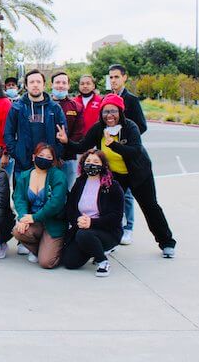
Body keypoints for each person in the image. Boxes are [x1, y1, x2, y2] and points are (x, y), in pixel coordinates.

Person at [56, 94, 177, 257]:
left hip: (139, 174)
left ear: (120, 112)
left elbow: (135, 151)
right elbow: (82, 146)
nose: (109, 115)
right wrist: (66, 142)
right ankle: (111, 240)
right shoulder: (99, 128)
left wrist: (112, 144)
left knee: (150, 207)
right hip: (116, 176)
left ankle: (167, 242)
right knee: (111, 209)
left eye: (113, 111)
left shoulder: (130, 127)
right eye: (105, 112)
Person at [62, 149, 124, 277]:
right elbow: (71, 207)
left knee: (83, 235)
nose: (91, 164)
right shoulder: (80, 182)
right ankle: (93, 249)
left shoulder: (112, 186)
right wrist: (78, 220)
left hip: (107, 231)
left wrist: (92, 222)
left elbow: (116, 216)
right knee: (70, 262)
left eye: (96, 162)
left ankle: (102, 261)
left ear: (103, 165)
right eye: (88, 161)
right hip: (81, 228)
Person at [108, 63, 148, 245]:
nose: (113, 80)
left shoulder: (131, 99)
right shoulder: (109, 98)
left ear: (124, 77)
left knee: (127, 194)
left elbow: (141, 125)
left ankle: (128, 228)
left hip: (128, 154)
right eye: (111, 77)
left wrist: (125, 137)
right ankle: (116, 225)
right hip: (111, 153)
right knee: (114, 192)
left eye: (116, 77)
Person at [12, 143, 68, 268]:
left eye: (49, 157)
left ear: (53, 160)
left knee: (46, 262)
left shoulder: (58, 176)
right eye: (41, 155)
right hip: (34, 222)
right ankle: (40, 249)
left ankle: (57, 247)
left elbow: (56, 203)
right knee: (18, 231)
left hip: (53, 221)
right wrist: (23, 217)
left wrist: (34, 218)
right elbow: (19, 198)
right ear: (33, 157)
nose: (44, 159)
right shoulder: (25, 175)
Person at [4, 69, 67, 176]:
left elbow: (63, 135)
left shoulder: (55, 108)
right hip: (23, 165)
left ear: (44, 85)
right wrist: (17, 153)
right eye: (32, 82)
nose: (35, 85)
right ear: (26, 86)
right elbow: (8, 133)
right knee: (21, 193)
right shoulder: (17, 107)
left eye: (38, 82)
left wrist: (56, 153)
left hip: (48, 164)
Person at [50, 71, 85, 190]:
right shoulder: (43, 105)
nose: (60, 85)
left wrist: (64, 150)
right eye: (57, 82)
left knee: (66, 192)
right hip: (47, 157)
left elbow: (78, 133)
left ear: (68, 86)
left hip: (68, 159)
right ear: (51, 85)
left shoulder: (76, 107)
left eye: (64, 83)